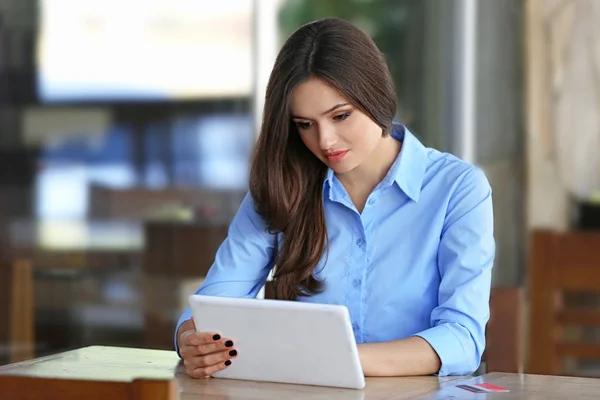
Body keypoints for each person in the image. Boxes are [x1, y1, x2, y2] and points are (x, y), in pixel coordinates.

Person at [175, 17, 495, 380]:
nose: (325, 141)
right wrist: (192, 340)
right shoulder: (282, 187)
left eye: (340, 116)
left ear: (376, 94)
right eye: (304, 124)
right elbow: (212, 307)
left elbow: (462, 340)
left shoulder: (458, 188)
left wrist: (327, 360)